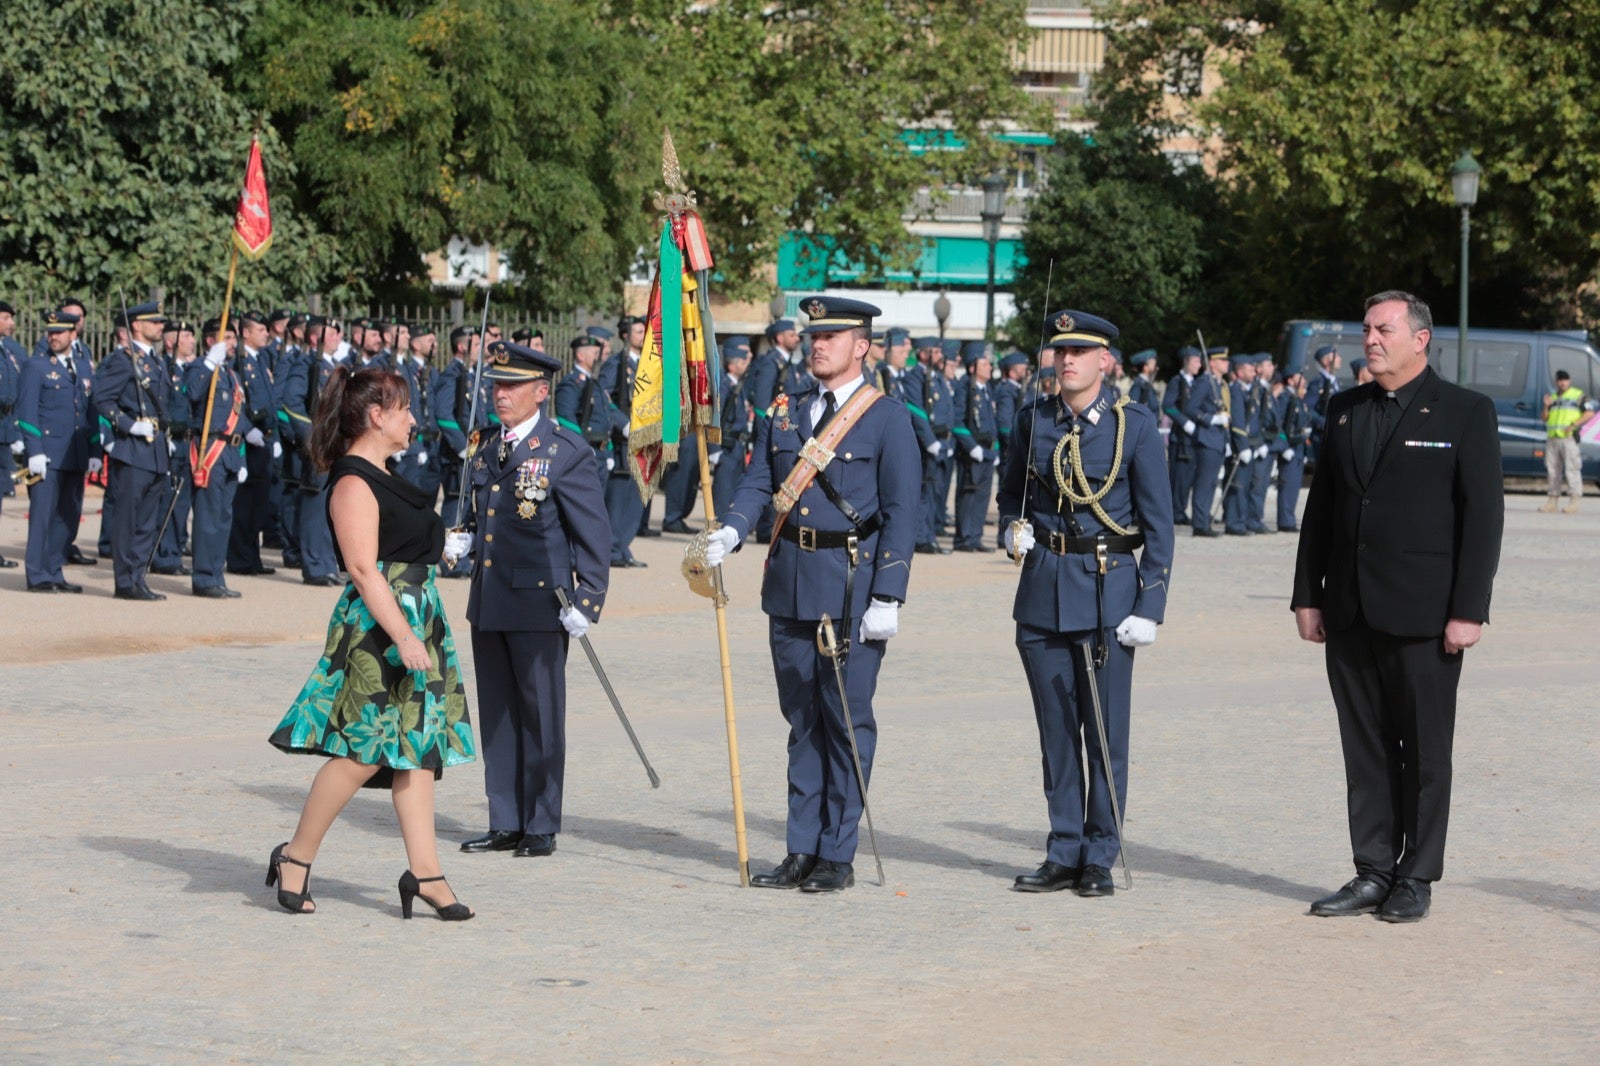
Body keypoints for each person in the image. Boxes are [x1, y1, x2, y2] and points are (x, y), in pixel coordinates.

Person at [1293, 290, 1504, 924]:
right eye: (1366, 329)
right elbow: (1322, 511)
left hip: (1425, 616)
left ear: (1421, 339)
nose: (1371, 339)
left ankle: (1417, 875)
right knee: (1365, 748)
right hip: (1351, 610)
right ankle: (1372, 869)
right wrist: (1308, 595)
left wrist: (1469, 609)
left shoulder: (1465, 412)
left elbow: (1483, 518)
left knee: (1425, 753)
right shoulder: (1344, 409)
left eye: (1383, 328)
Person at [702, 295, 921, 893]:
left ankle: (836, 852)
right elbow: (759, 481)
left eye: (832, 335)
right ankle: (801, 847)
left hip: (852, 586)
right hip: (791, 581)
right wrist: (733, 528)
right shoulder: (786, 410)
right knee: (801, 722)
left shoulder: (887, 418)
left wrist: (889, 595)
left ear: (862, 346)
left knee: (845, 721)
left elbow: (903, 515)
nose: (817, 343)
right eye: (813, 334)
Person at [266, 365, 475, 919]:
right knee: (361, 753)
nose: (413, 419)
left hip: (418, 615)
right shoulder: (353, 480)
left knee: (418, 752)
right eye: (404, 409)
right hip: (381, 630)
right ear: (376, 416)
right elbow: (363, 568)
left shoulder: (387, 474)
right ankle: (295, 856)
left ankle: (426, 873)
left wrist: (442, 547)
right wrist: (404, 636)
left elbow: (402, 545)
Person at [997, 309, 1174, 897]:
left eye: (1080, 351)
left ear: (1106, 361)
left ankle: (1100, 852)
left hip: (1106, 594)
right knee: (1055, 735)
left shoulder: (1134, 427)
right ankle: (1064, 847)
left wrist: (1150, 606)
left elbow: (1159, 525)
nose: (1066, 360)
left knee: (1103, 733)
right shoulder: (1033, 422)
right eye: (1059, 350)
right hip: (1043, 592)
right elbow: (1010, 491)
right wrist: (1011, 528)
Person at [455, 341, 611, 859]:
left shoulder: (564, 451)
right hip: (491, 598)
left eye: (512, 387)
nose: (501, 395)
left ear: (541, 392)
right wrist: (460, 540)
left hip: (542, 600)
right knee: (498, 713)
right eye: (497, 385)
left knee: (540, 713)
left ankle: (541, 821)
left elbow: (593, 533)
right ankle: (505, 818)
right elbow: (486, 518)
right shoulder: (483, 447)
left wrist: (588, 599)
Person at [91, 300, 172, 599]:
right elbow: (101, 398)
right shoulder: (123, 360)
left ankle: (138, 577)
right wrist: (127, 425)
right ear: (136, 325)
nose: (160, 326)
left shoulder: (155, 360)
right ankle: (125, 581)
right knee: (128, 519)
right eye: (154, 322)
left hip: (155, 451)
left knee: (147, 521)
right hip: (133, 448)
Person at [17, 310, 99, 592]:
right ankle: (37, 574)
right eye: (50, 332)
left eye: (60, 332)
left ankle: (54, 569)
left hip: (74, 454)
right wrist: (34, 450)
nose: (54, 336)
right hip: (48, 455)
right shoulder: (36, 366)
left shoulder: (82, 367)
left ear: (73, 334)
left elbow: (91, 411)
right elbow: (27, 412)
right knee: (42, 515)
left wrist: (95, 451)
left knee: (68, 515)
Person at [184, 319, 248, 599]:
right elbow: (192, 393)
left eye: (234, 338)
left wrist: (242, 458)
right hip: (211, 450)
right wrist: (209, 363)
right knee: (208, 518)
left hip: (231, 453)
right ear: (211, 341)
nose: (232, 343)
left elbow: (240, 418)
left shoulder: (231, 375)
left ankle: (216, 574)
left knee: (223, 518)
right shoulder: (201, 368)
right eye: (227, 338)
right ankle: (203, 578)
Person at [225, 311, 279, 577]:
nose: (266, 333)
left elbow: (271, 401)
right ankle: (239, 558)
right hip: (248, 440)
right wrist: (246, 431)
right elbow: (236, 402)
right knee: (244, 504)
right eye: (260, 329)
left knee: (259, 504)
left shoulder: (261, 359)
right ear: (245, 332)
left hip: (265, 439)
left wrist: (275, 437)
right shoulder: (239, 361)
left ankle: (252, 556)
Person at [952, 342, 997, 552]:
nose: (989, 366)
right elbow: (957, 421)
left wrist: (994, 449)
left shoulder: (987, 389)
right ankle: (964, 538)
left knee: (982, 496)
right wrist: (971, 447)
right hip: (972, 451)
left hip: (987, 450)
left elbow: (991, 421)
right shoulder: (964, 387)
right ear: (972, 367)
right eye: (984, 363)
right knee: (968, 495)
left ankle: (975, 536)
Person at [1183, 346, 1232, 536]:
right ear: (1212, 363)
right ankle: (1200, 524)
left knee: (1211, 483)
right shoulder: (1205, 382)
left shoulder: (1218, 384)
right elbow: (1190, 408)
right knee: (1204, 483)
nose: (1226, 364)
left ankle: (1204, 521)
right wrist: (1211, 419)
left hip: (1218, 439)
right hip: (1207, 439)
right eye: (1223, 360)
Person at [1539, 369, 1592, 513]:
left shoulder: (1578, 396)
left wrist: (1574, 425)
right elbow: (1544, 418)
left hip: (1569, 439)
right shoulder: (1552, 397)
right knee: (1552, 470)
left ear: (1569, 381)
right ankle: (1552, 500)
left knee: (1572, 469)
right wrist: (1545, 406)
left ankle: (1574, 501)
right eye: (1560, 380)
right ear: (1556, 381)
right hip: (1553, 438)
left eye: (1565, 379)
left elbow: (1589, 413)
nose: (1562, 382)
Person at [710, 335, 752, 516]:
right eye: (742, 362)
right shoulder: (723, 386)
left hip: (736, 446)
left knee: (734, 490)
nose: (745, 364)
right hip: (725, 447)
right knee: (723, 492)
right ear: (731, 365)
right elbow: (713, 418)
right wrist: (713, 449)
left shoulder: (738, 386)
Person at [1162, 346, 1202, 525]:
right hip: (1180, 438)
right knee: (1179, 476)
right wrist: (1184, 422)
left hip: (1192, 439)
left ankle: (1181, 508)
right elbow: (1168, 405)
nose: (1199, 365)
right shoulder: (1177, 382)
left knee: (1188, 477)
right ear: (1186, 361)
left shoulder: (1195, 383)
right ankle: (1175, 510)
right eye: (1196, 361)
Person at [1271, 370, 1312, 532]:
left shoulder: (1298, 399)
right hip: (1289, 448)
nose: (1302, 381)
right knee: (1287, 486)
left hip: (1299, 449)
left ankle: (1289, 519)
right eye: (1297, 377)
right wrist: (1284, 447)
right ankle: (1285, 521)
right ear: (1289, 380)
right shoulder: (1284, 398)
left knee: (1294, 487)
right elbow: (1280, 425)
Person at [1304, 344, 1342, 465]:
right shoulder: (1318, 383)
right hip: (1321, 436)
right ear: (1326, 361)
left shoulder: (1334, 381)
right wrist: (1323, 422)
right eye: (1335, 356)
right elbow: (1308, 409)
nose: (1339, 359)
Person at [1127, 350, 1161, 415]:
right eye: (1153, 364)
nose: (1157, 368)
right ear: (1145, 367)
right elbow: (1133, 411)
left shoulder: (1146, 384)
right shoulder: (1139, 385)